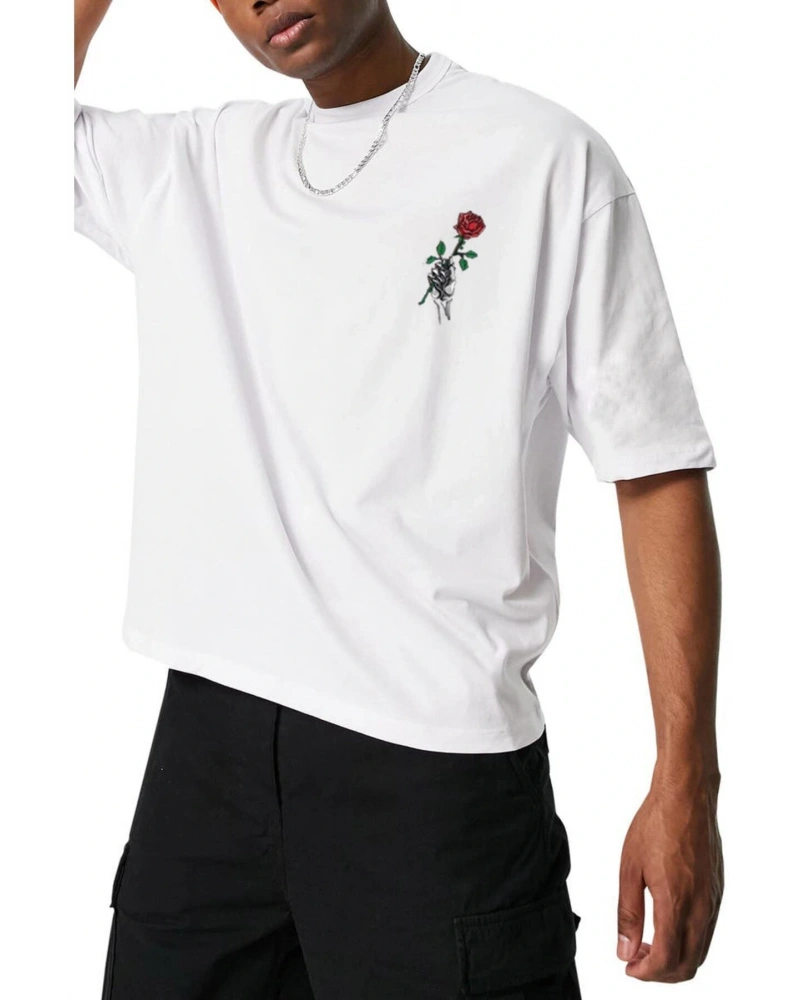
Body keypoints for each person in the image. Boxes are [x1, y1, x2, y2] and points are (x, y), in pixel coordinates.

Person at [74, 2, 724, 997]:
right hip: (205, 765)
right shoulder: (193, 164)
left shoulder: (543, 160)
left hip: (434, 776)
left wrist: (685, 783)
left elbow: (655, 468)